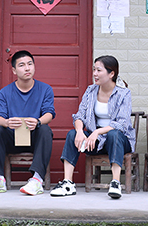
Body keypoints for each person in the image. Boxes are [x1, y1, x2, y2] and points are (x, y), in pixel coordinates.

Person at [51, 56, 135, 199]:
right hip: (95, 141)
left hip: (118, 140)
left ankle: (115, 183)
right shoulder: (91, 91)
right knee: (72, 134)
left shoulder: (123, 93)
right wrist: (79, 131)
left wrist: (97, 131)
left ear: (111, 73)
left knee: (114, 134)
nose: (95, 74)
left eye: (99, 70)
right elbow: (79, 116)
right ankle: (68, 183)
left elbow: (121, 124)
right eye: (94, 70)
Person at [0, 50, 55, 195]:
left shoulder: (45, 89)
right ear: (14, 70)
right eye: (22, 65)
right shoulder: (5, 92)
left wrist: (38, 121)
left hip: (34, 139)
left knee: (45, 130)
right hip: (12, 138)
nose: (27, 68)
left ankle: (37, 180)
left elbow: (49, 113)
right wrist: (7, 122)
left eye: (30, 64)